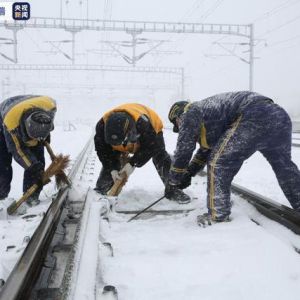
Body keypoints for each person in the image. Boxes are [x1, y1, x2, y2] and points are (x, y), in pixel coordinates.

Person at [167, 91, 300, 226]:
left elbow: (184, 149)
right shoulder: (209, 116)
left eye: (177, 125)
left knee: (218, 162)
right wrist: (189, 172)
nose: (180, 128)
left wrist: (174, 180)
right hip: (278, 115)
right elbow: (205, 151)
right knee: (284, 167)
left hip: (254, 114)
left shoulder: (189, 112)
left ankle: (217, 216)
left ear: (178, 118)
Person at [94, 103, 191, 204]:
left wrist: (133, 163)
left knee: (160, 155)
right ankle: (101, 188)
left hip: (152, 129)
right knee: (110, 159)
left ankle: (173, 189)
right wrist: (112, 168)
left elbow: (150, 147)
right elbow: (103, 152)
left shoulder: (143, 124)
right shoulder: (101, 127)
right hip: (125, 134)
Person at [0, 95, 56, 208]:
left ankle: (31, 196)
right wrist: (32, 166)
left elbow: (48, 124)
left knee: (38, 160)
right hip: (5, 118)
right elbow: (18, 151)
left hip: (33, 105)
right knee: (3, 162)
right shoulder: (11, 123)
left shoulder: (51, 107)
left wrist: (44, 136)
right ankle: (1, 197)